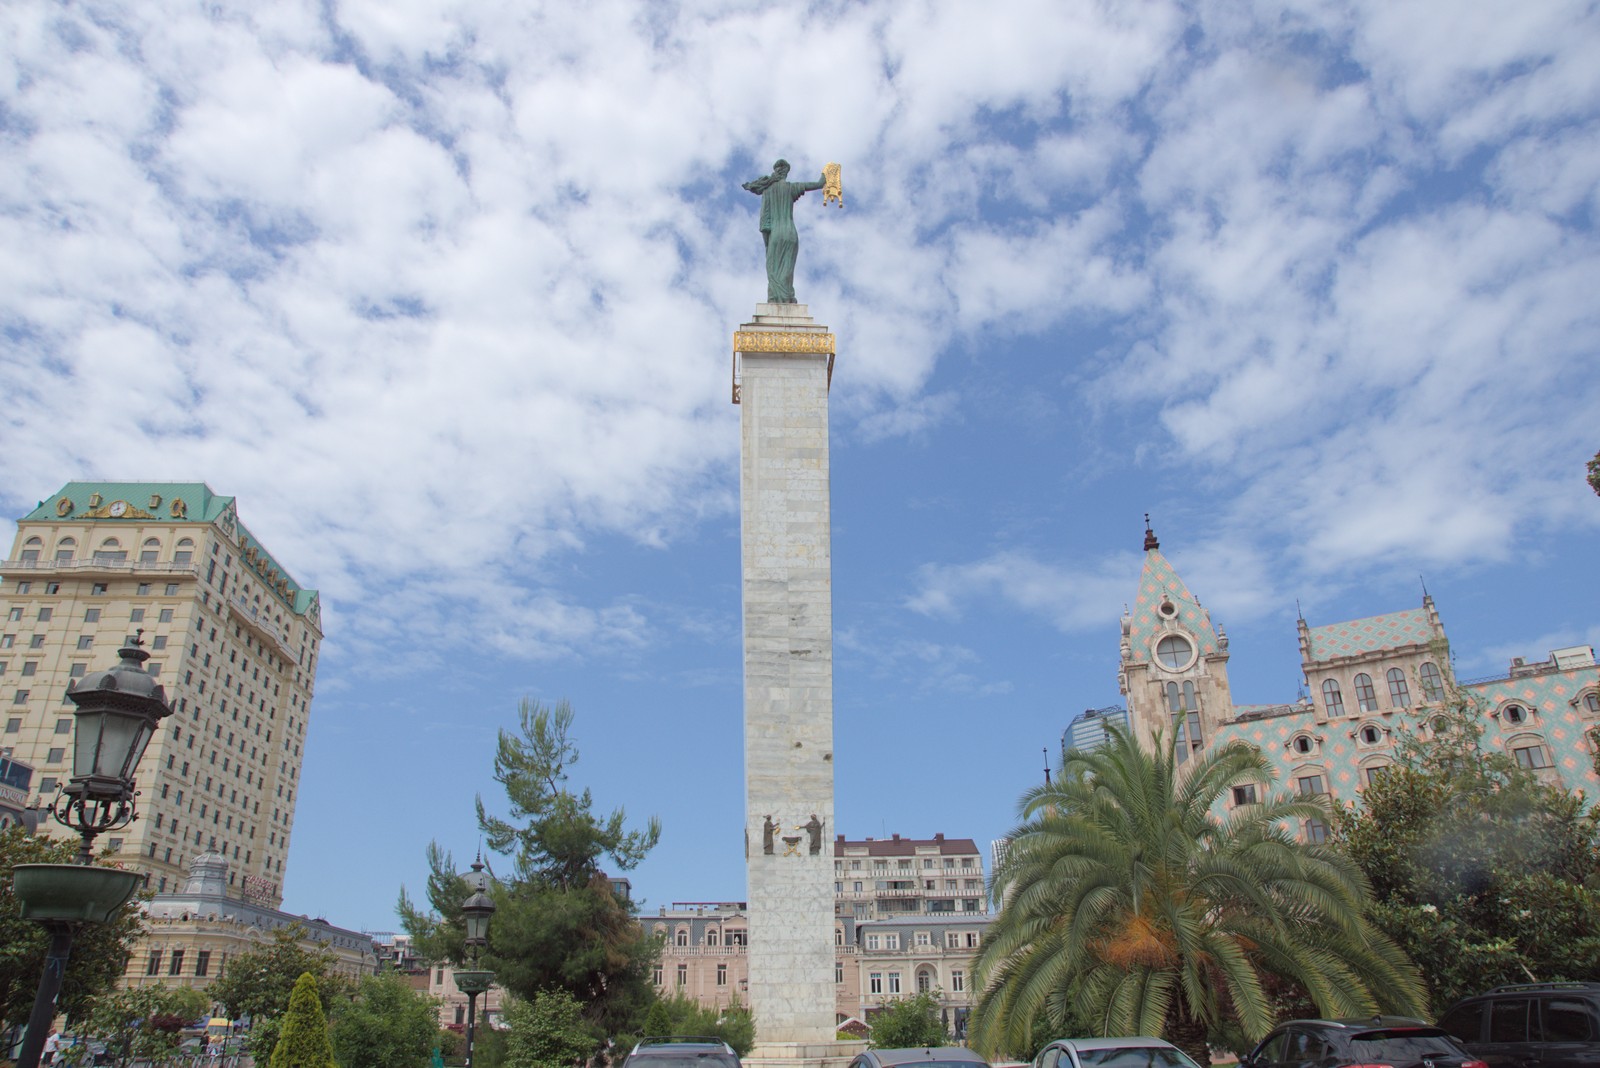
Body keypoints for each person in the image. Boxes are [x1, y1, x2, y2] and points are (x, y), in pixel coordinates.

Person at [742, 160, 826, 303]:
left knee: (773, 269)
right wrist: (827, 173)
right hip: (790, 233)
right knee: (787, 270)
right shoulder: (791, 187)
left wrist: (767, 245)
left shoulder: (767, 192)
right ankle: (787, 297)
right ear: (786, 173)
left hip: (775, 234)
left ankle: (774, 298)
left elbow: (764, 224)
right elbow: (819, 184)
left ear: (775, 172)